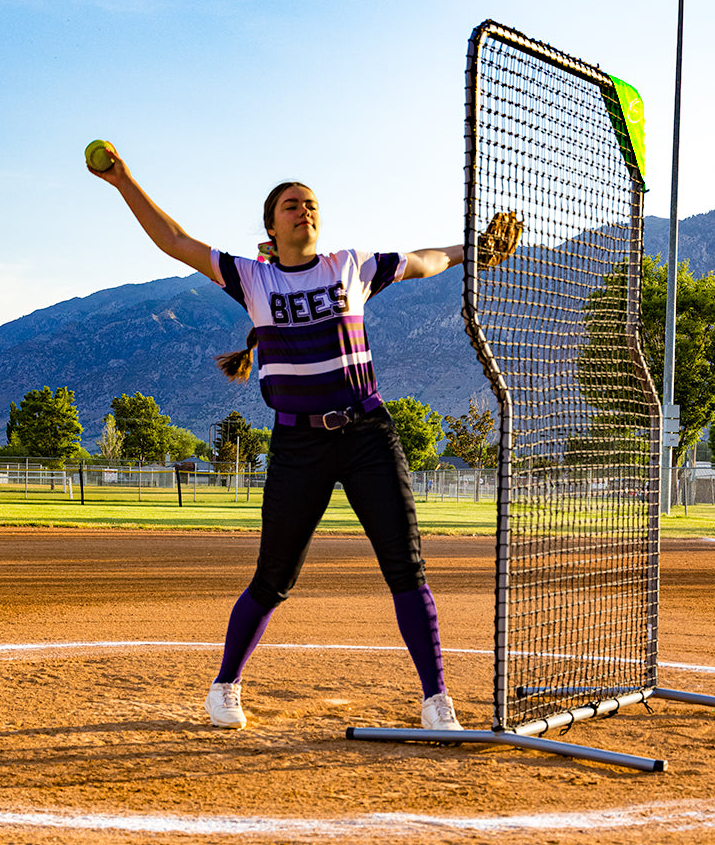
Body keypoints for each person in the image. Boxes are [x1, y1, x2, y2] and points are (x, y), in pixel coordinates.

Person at [90, 148, 464, 731]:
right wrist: (123, 180)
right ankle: (225, 686)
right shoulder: (253, 279)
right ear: (272, 226)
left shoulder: (352, 266)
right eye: (291, 205)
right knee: (274, 577)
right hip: (297, 445)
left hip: (367, 432)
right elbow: (175, 241)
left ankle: (436, 700)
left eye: (311, 204)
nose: (304, 211)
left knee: (406, 567)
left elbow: (424, 260)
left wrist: (473, 250)